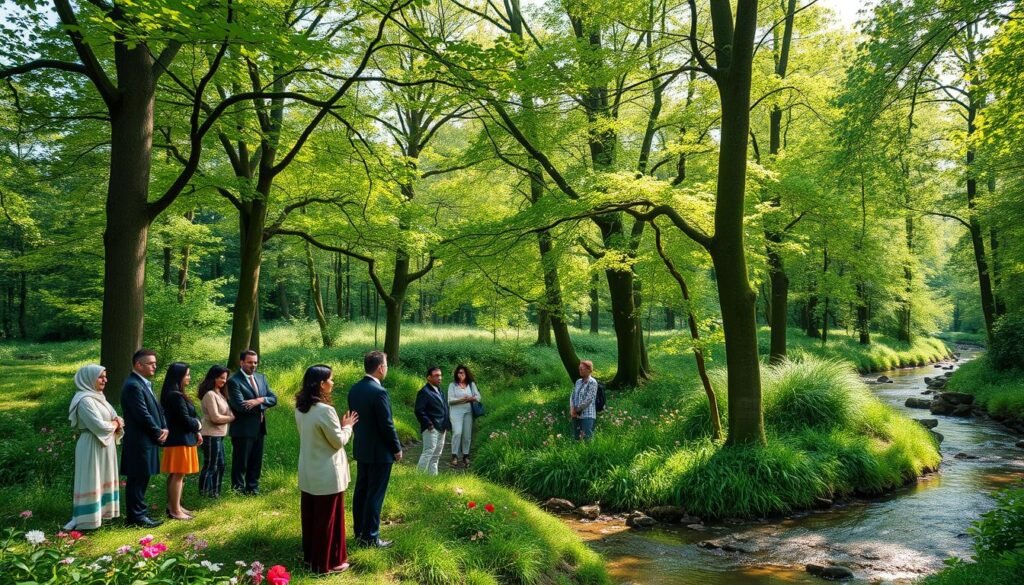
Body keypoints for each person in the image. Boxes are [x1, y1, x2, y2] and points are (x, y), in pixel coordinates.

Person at [296, 365, 359, 574]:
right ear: (321, 384)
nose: (333, 383)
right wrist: (347, 425)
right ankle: (327, 563)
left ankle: (311, 559)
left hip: (308, 470)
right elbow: (338, 442)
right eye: (331, 380)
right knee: (329, 519)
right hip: (326, 472)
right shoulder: (325, 410)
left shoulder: (301, 407)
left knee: (312, 517)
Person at [347, 350, 402, 548]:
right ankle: (370, 537)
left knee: (361, 491)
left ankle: (359, 531)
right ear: (380, 368)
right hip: (380, 452)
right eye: (386, 365)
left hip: (362, 448)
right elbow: (386, 424)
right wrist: (396, 448)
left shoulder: (355, 389)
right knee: (375, 494)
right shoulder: (379, 392)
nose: (386, 368)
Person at [64, 364, 123, 530]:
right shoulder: (84, 400)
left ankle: (102, 514)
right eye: (100, 376)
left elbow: (116, 418)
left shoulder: (99, 398)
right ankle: (86, 519)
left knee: (103, 477)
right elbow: (100, 426)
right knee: (91, 478)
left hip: (105, 444)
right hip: (91, 444)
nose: (105, 379)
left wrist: (115, 422)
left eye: (105, 376)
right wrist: (115, 423)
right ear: (88, 379)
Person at [120, 349, 168, 528]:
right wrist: (157, 432)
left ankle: (138, 514)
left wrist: (165, 428)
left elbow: (157, 409)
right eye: (150, 363)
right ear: (138, 365)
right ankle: (136, 518)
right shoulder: (133, 385)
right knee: (137, 479)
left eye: (155, 363)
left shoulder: (144, 383)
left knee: (142, 478)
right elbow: (142, 414)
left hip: (148, 439)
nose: (154, 366)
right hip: (139, 441)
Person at [228, 349, 278, 495]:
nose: (253, 365)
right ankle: (237, 490)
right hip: (243, 428)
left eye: (255, 362)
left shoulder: (261, 378)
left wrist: (259, 400)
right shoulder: (233, 381)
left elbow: (273, 399)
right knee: (241, 461)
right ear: (241, 362)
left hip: (260, 427)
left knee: (256, 460)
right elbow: (241, 406)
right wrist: (263, 404)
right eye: (250, 362)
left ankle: (252, 488)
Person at [160, 362, 202, 520]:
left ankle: (175, 506)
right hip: (179, 440)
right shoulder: (175, 396)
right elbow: (185, 420)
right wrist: (198, 425)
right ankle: (175, 510)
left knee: (178, 475)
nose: (189, 378)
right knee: (178, 475)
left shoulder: (176, 394)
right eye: (187, 375)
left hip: (183, 438)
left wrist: (196, 430)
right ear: (179, 376)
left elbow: (192, 415)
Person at [198, 365, 234, 498]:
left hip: (219, 435)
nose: (224, 381)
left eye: (225, 378)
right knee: (211, 465)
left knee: (221, 464)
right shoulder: (209, 394)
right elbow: (215, 417)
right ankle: (204, 494)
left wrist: (229, 417)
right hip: (210, 435)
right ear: (213, 377)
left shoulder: (220, 393)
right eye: (221, 378)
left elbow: (227, 413)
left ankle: (215, 493)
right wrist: (231, 418)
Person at [414, 366, 449, 476]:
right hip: (431, 427)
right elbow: (419, 410)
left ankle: (432, 479)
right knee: (428, 452)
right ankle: (418, 477)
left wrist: (446, 425)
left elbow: (445, 409)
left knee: (436, 456)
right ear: (429, 377)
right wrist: (429, 424)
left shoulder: (440, 391)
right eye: (437, 375)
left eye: (440, 375)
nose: (440, 378)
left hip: (442, 427)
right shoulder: (424, 392)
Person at [447, 364, 480, 468]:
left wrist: (471, 398)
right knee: (457, 433)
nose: (459, 374)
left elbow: (478, 397)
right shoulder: (452, 385)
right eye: (458, 372)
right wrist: (461, 400)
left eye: (462, 373)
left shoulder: (471, 384)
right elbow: (450, 401)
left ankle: (466, 456)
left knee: (467, 435)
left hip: (468, 412)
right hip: (456, 412)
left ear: (466, 374)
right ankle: (454, 456)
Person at [569, 360, 599, 440]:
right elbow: (573, 396)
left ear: (589, 370)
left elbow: (589, 399)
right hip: (575, 414)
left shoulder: (593, 382)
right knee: (577, 438)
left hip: (587, 415)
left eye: (582, 369)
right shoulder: (578, 382)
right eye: (579, 369)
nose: (580, 370)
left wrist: (577, 410)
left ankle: (589, 452)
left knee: (587, 438)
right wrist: (572, 409)